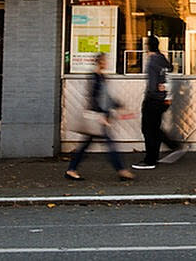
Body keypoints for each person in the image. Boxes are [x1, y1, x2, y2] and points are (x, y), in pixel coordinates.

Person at [65, 53, 134, 181]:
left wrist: (120, 106)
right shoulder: (95, 77)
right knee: (110, 144)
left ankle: (71, 169)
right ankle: (121, 170)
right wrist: (100, 115)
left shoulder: (102, 77)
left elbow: (106, 98)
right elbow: (93, 97)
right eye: (105, 61)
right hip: (97, 117)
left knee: (85, 145)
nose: (107, 63)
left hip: (100, 116)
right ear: (100, 62)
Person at [132, 35, 187, 169]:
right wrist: (164, 88)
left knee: (148, 129)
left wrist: (151, 95)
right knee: (155, 128)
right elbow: (170, 69)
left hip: (153, 100)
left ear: (147, 47)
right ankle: (169, 149)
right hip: (163, 100)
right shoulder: (162, 58)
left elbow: (152, 85)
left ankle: (150, 160)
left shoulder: (152, 61)